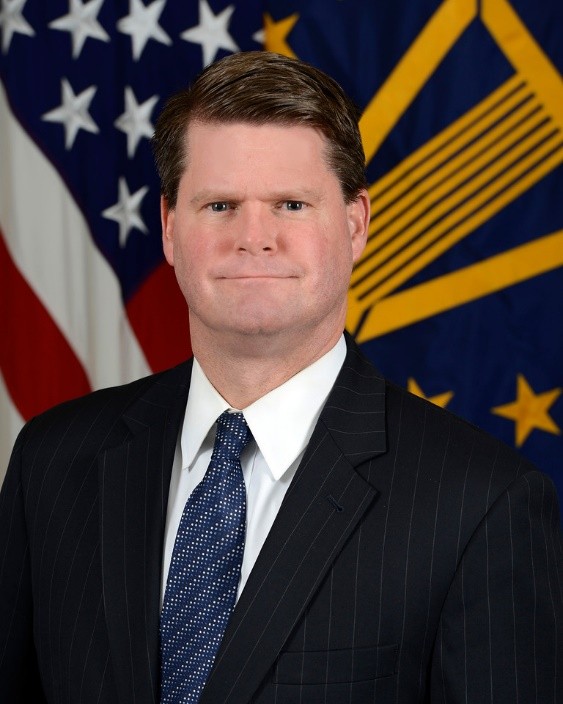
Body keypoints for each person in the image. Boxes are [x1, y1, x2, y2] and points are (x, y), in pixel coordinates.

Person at [0, 51, 561, 704]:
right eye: (219, 205)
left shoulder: (481, 503)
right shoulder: (52, 462)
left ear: (355, 224)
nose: (254, 237)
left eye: (291, 204)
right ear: (170, 228)